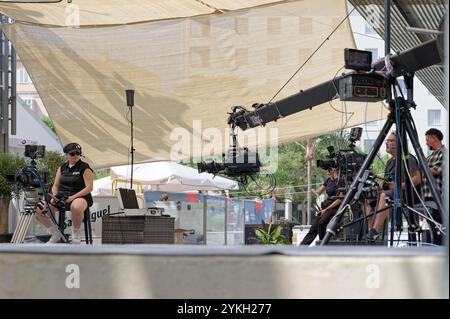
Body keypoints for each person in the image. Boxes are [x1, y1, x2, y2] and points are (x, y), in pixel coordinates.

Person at [366, 131, 421, 241]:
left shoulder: (408, 159)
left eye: (391, 141)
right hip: (392, 192)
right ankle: (370, 231)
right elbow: (388, 182)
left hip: (407, 194)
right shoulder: (390, 161)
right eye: (387, 140)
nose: (387, 143)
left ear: (400, 143)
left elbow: (417, 178)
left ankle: (375, 231)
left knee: (384, 196)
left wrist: (399, 186)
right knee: (366, 198)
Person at [35, 143, 94, 244]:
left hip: (80, 196)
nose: (76, 155)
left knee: (76, 207)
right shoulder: (62, 167)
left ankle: (76, 235)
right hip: (62, 196)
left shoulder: (84, 167)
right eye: (72, 153)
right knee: (38, 209)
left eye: (78, 153)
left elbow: (89, 187)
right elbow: (55, 186)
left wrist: (72, 197)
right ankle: (55, 233)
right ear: (66, 155)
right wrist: (54, 196)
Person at [300, 166, 344, 245]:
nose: (326, 171)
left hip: (334, 208)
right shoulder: (328, 180)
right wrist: (312, 190)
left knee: (321, 223)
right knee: (313, 228)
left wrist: (326, 209)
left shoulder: (340, 181)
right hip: (325, 206)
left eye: (328, 169)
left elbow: (339, 200)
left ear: (333, 169)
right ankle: (301, 248)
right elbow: (318, 192)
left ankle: (323, 243)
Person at [422, 128, 445, 244]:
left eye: (427, 140)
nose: (426, 143)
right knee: (433, 228)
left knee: (439, 228)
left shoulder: (444, 153)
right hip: (427, 197)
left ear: (434, 138)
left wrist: (421, 167)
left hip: (438, 197)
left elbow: (437, 170)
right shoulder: (430, 157)